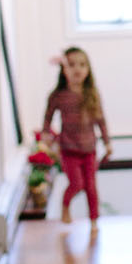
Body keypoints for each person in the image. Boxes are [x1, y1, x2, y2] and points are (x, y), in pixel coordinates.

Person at [41, 47, 113, 224]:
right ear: (64, 70)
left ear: (88, 70)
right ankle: (65, 205)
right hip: (69, 149)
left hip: (89, 149)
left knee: (91, 187)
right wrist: (46, 135)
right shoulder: (58, 96)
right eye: (72, 65)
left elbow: (101, 121)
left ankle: (94, 221)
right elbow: (48, 116)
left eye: (82, 65)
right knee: (77, 184)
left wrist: (107, 143)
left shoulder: (92, 95)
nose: (77, 69)